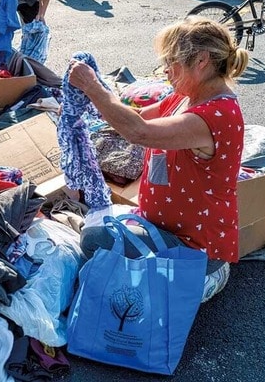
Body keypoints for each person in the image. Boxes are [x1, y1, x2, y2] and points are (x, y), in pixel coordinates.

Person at [68, 17, 250, 301]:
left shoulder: (219, 115)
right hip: (163, 231)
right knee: (95, 221)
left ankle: (202, 280)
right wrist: (96, 95)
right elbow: (136, 117)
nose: (166, 70)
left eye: (172, 61)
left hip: (193, 249)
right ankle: (175, 283)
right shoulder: (183, 98)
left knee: (94, 241)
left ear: (202, 61)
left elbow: (139, 132)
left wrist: (93, 87)